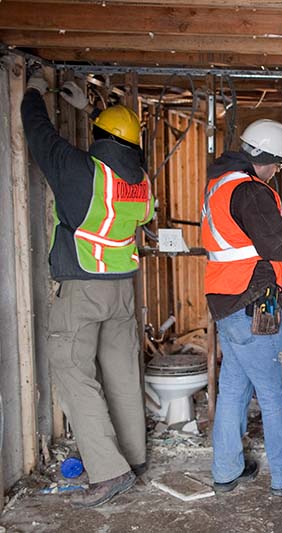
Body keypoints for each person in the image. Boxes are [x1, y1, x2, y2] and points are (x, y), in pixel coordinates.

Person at [22, 73, 154, 506]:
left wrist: (35, 90)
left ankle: (108, 471)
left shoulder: (80, 173)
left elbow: (39, 133)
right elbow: (115, 148)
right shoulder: (141, 184)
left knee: (74, 374)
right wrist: (91, 110)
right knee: (121, 374)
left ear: (98, 140)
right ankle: (132, 459)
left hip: (82, 287)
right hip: (121, 290)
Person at [202, 119, 282, 496]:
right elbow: (279, 247)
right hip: (254, 307)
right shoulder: (251, 192)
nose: (277, 171)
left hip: (227, 305)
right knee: (275, 392)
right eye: (279, 164)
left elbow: (253, 236)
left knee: (234, 390)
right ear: (268, 158)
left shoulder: (219, 184)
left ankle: (226, 471)